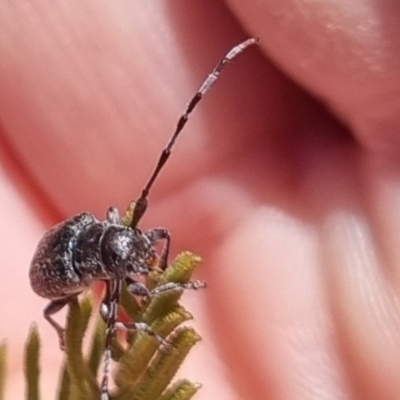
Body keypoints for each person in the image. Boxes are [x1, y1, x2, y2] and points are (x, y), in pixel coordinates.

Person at [2, 1, 400, 399]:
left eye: (135, 250)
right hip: (53, 272)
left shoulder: (112, 232)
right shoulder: (84, 272)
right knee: (105, 320)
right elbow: (110, 315)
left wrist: (156, 269)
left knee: (144, 258)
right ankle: (96, 362)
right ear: (103, 265)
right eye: (128, 263)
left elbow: (144, 243)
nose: (142, 256)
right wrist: (138, 327)